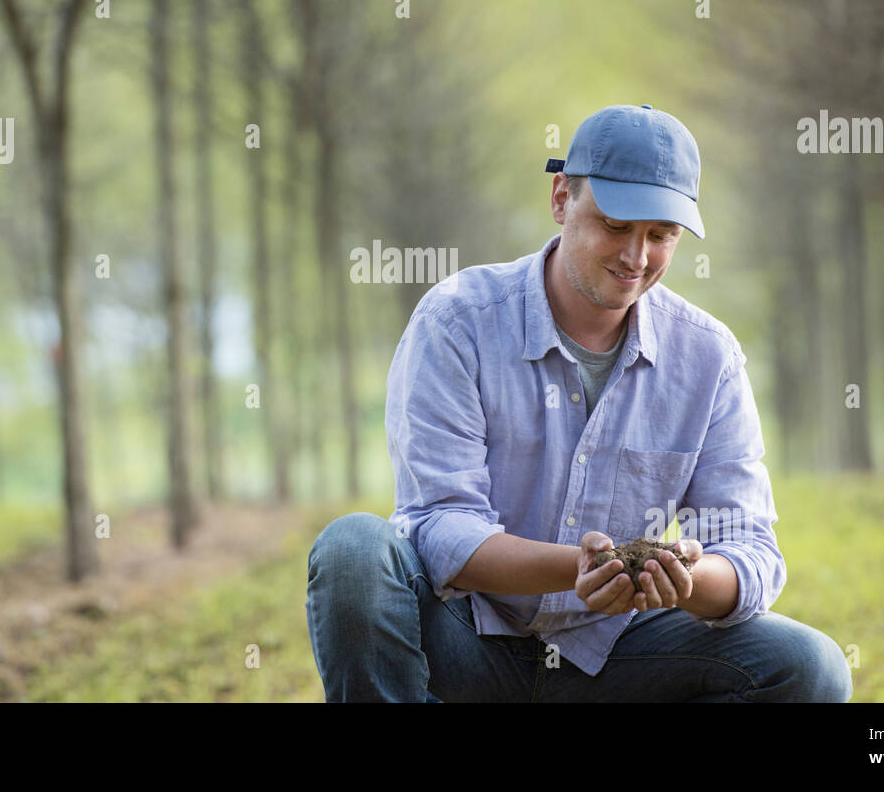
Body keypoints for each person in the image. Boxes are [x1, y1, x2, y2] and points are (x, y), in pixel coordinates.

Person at [305, 103, 852, 702]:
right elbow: (440, 524)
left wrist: (681, 578)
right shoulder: (457, 321)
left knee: (810, 667)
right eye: (615, 226)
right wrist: (578, 567)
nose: (636, 258)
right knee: (353, 551)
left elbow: (748, 549)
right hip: (466, 638)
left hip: (618, 654)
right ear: (562, 197)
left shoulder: (709, 358)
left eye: (661, 236)